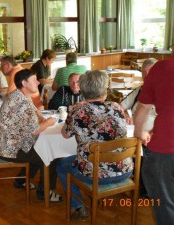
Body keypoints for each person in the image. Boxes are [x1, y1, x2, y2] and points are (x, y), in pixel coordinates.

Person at [56, 70, 132, 222]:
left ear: (83, 90)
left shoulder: (78, 111)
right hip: (124, 170)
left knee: (61, 166)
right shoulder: (116, 107)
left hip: (94, 175)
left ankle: (78, 206)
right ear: (104, 90)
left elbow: (65, 134)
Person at [0, 69, 62, 202]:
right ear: (24, 83)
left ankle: (21, 181)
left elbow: (31, 109)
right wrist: (49, 121)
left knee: (39, 148)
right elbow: (35, 130)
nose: (37, 82)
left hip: (5, 143)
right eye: (34, 80)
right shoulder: (22, 102)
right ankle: (44, 192)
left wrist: (39, 115)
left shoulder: (19, 95)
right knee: (49, 155)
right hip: (10, 149)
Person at [133, 58, 174, 225]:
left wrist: (139, 132)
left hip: (166, 145)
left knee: (164, 201)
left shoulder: (162, 67)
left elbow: (144, 107)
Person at [121, 58, 157, 129]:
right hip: (133, 133)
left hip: (155, 134)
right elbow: (120, 107)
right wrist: (125, 115)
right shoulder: (139, 91)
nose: (147, 75)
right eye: (144, 72)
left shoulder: (166, 93)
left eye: (151, 72)